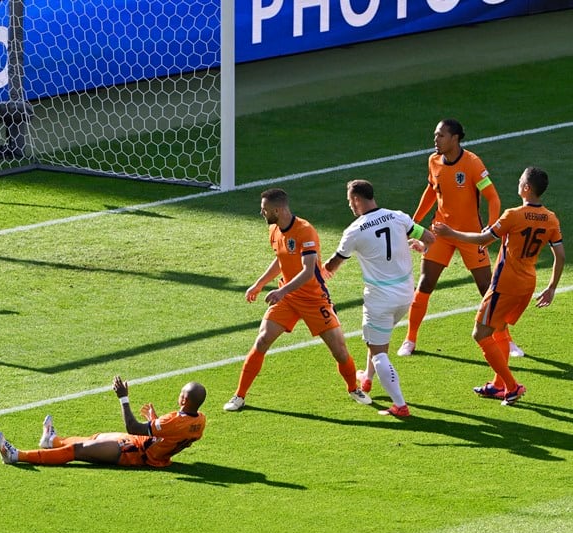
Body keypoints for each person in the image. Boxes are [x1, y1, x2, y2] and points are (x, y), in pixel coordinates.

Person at [223, 188, 371, 412]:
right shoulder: (274, 229)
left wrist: (280, 292)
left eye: (264, 210)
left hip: (314, 299)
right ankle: (239, 396)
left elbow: (309, 271)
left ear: (277, 209)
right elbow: (281, 259)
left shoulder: (305, 231)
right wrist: (260, 283)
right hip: (289, 298)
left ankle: (353, 388)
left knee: (339, 350)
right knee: (262, 340)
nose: (261, 213)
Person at [431, 166, 564, 406]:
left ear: (525, 188)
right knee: (499, 329)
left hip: (505, 284)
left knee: (480, 333)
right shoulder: (551, 218)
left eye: (520, 180)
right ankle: (498, 385)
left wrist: (450, 233)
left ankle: (512, 387)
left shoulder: (513, 215)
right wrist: (552, 287)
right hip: (527, 284)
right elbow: (560, 255)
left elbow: (484, 239)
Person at [398, 119, 525, 358]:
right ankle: (410, 339)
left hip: (470, 236)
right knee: (425, 283)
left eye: (440, 136)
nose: (435, 140)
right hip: (441, 234)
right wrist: (414, 221)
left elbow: (493, 198)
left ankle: (507, 341)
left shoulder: (472, 164)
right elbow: (431, 191)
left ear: (455, 138)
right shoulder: (433, 161)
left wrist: (490, 231)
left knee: (486, 289)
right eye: (435, 135)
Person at [323, 180, 436, 417]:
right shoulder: (398, 217)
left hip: (379, 299)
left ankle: (400, 405)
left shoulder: (354, 230)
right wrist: (421, 247)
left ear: (356, 200)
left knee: (378, 351)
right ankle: (366, 379)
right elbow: (430, 238)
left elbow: (333, 265)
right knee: (377, 338)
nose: (350, 206)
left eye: (349, 201)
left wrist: (317, 273)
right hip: (405, 296)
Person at [0, 376, 206, 467]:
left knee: (79, 449)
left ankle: (17, 456)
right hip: (142, 445)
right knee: (94, 438)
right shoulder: (200, 421)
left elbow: (132, 428)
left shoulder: (173, 420)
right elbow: (172, 435)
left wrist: (123, 398)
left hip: (137, 453)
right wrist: (154, 420)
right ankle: (52, 441)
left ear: (184, 399)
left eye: (181, 393)